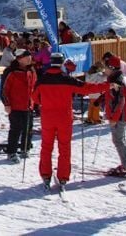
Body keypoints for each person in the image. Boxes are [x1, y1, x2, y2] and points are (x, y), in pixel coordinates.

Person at [33, 53, 109, 188]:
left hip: (47, 117)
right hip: (64, 117)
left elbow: (35, 98)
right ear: (62, 63)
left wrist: (44, 103)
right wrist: (107, 86)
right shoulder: (67, 79)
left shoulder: (42, 80)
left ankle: (45, 175)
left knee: (46, 147)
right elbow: (87, 88)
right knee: (64, 147)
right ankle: (62, 177)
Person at [1, 49, 36, 163]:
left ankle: (25, 149)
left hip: (28, 105)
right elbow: (4, 90)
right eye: (27, 57)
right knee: (16, 129)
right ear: (20, 59)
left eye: (30, 57)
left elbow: (34, 87)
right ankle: (11, 152)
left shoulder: (31, 71)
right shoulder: (11, 72)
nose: (29, 59)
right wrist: (7, 104)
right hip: (15, 106)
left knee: (28, 129)